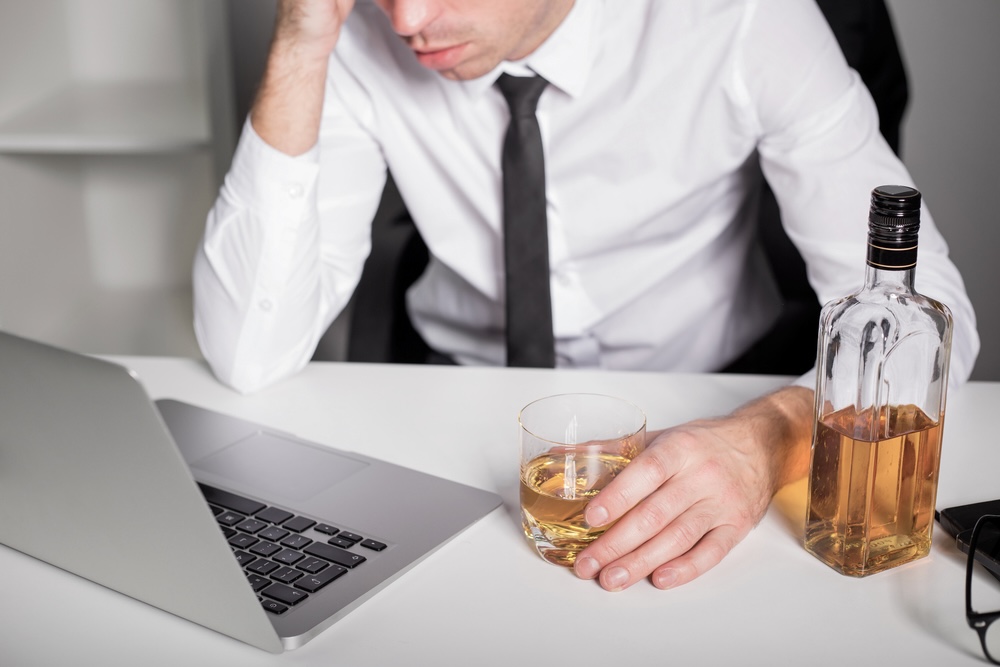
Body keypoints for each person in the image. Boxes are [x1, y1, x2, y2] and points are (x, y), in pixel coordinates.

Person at [194, 0, 979, 593]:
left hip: (701, 402)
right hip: (453, 409)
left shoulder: (740, 16)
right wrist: (302, 36)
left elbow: (939, 323)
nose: (408, 19)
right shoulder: (358, 30)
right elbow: (247, 352)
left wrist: (772, 434)